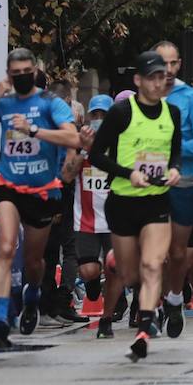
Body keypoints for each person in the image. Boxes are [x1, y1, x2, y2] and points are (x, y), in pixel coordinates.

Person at [0, 48, 79, 347]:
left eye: (28, 72)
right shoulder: (6, 102)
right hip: (8, 185)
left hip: (41, 190)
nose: (23, 77)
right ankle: (1, 320)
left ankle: (33, 292)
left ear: (35, 71)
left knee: (34, 260)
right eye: (17, 73)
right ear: (9, 74)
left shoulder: (50, 103)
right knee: (5, 245)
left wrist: (35, 130)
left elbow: (72, 138)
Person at [87, 51, 182, 360]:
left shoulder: (173, 114)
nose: (158, 83)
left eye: (162, 78)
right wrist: (129, 173)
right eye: (152, 77)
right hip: (123, 203)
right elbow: (96, 156)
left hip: (156, 202)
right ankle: (121, 266)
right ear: (138, 80)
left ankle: (144, 329)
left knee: (154, 264)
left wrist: (174, 170)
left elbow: (175, 153)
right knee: (130, 276)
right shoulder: (120, 113)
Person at [154, 40, 193, 340]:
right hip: (149, 185)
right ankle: (149, 308)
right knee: (154, 253)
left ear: (179, 65)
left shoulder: (191, 98)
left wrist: (172, 149)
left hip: (185, 182)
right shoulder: (143, 96)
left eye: (172, 63)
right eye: (160, 63)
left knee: (177, 254)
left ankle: (175, 298)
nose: (166, 69)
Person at [60, 94, 115, 321]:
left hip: (115, 217)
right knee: (88, 270)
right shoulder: (79, 142)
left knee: (118, 268)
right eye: (95, 114)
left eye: (104, 114)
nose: (99, 118)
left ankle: (116, 305)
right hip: (87, 219)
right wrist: (84, 151)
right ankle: (94, 279)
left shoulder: (119, 141)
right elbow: (67, 175)